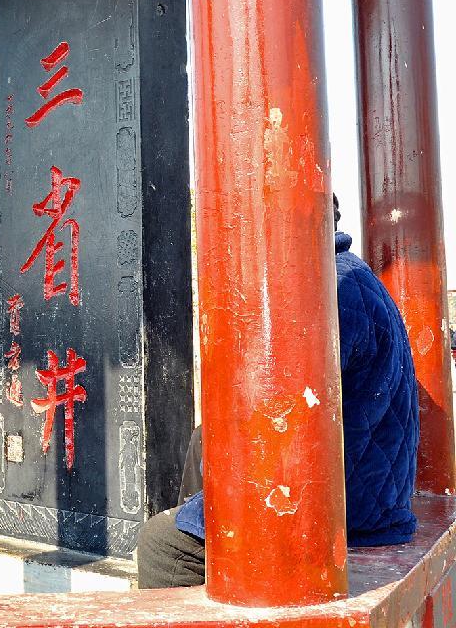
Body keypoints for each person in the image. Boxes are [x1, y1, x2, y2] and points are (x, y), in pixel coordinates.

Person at [137, 195, 419, 587]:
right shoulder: (348, 274)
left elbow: (283, 412)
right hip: (368, 489)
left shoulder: (327, 287)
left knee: (162, 543)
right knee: (206, 438)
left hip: (348, 508)